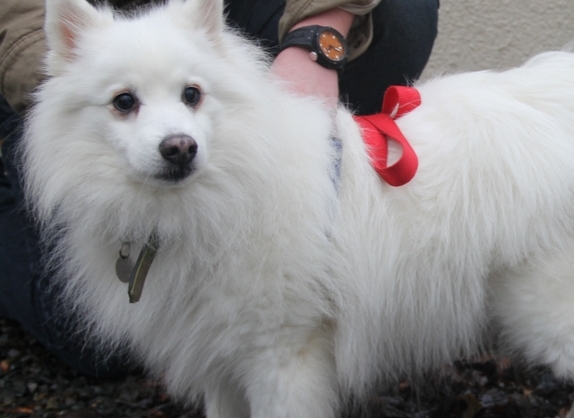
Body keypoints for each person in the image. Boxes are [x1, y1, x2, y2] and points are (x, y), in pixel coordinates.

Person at [0, 0, 438, 378]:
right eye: (126, 104)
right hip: (38, 48)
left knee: (400, 15)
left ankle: (314, 245)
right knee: (88, 338)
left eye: (189, 96)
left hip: (207, 28)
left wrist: (315, 43)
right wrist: (76, 87)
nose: (175, 138)